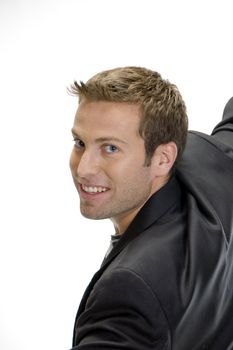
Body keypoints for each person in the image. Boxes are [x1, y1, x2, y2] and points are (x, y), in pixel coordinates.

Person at [68, 66, 233, 349]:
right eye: (80, 143)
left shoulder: (127, 293)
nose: (83, 169)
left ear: (163, 158)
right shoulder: (215, 163)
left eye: (110, 148)